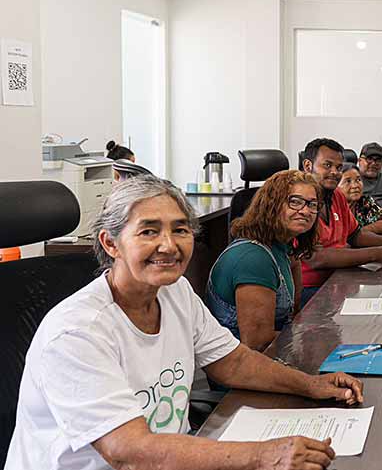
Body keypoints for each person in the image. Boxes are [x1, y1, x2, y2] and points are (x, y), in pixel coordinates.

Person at [5, 175, 363, 470]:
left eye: (180, 230)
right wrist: (264, 455)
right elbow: (128, 451)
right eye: (148, 232)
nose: (168, 245)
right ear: (111, 243)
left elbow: (234, 362)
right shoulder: (77, 331)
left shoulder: (174, 293)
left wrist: (311, 386)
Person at [206, 170, 319, 351]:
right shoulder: (253, 258)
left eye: (312, 204)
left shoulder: (282, 246)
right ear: (271, 205)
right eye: (295, 202)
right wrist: (315, 337)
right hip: (242, 369)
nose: (306, 211)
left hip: (271, 353)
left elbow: (294, 309)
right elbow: (257, 343)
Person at [301, 138, 382, 307]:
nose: (335, 172)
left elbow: (355, 235)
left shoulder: (337, 195)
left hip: (340, 278)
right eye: (327, 165)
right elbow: (316, 258)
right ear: (307, 166)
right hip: (309, 288)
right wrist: (377, 254)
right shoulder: (299, 202)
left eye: (339, 167)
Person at [338, 163, 382, 235]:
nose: (355, 185)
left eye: (358, 179)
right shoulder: (329, 206)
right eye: (348, 181)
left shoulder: (364, 201)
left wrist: (359, 232)